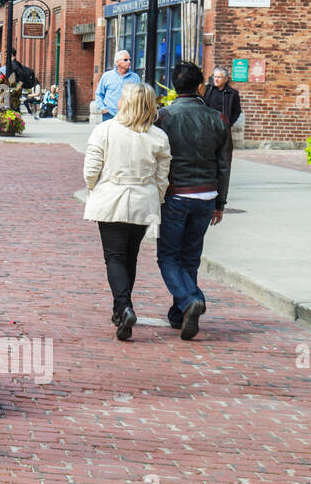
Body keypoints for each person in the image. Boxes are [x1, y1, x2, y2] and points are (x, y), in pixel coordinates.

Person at [82, 82, 171, 341]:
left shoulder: (105, 130)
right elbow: (162, 176)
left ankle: (123, 307)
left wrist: (93, 189)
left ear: (127, 102)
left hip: (112, 197)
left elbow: (90, 170)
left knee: (114, 258)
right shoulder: (158, 136)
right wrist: (157, 198)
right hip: (144, 199)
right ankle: (120, 310)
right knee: (130, 256)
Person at [155, 61, 230, 340]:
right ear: (201, 87)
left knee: (168, 256)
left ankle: (190, 300)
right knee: (190, 256)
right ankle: (181, 313)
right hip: (206, 195)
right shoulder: (218, 119)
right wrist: (220, 202)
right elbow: (224, 165)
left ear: (174, 86)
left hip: (175, 194)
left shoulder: (163, 117)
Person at [93, 50, 141, 121]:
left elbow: (139, 97)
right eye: (125, 60)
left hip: (128, 116)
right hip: (109, 115)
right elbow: (99, 94)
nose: (129, 62)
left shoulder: (135, 78)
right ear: (117, 62)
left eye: (129, 60)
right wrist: (103, 109)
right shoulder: (107, 76)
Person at [202, 66, 242, 136]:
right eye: (215, 76)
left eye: (219, 77)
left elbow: (237, 111)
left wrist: (228, 123)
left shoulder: (232, 93)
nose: (216, 79)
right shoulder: (207, 90)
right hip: (207, 126)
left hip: (222, 127)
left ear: (226, 79)